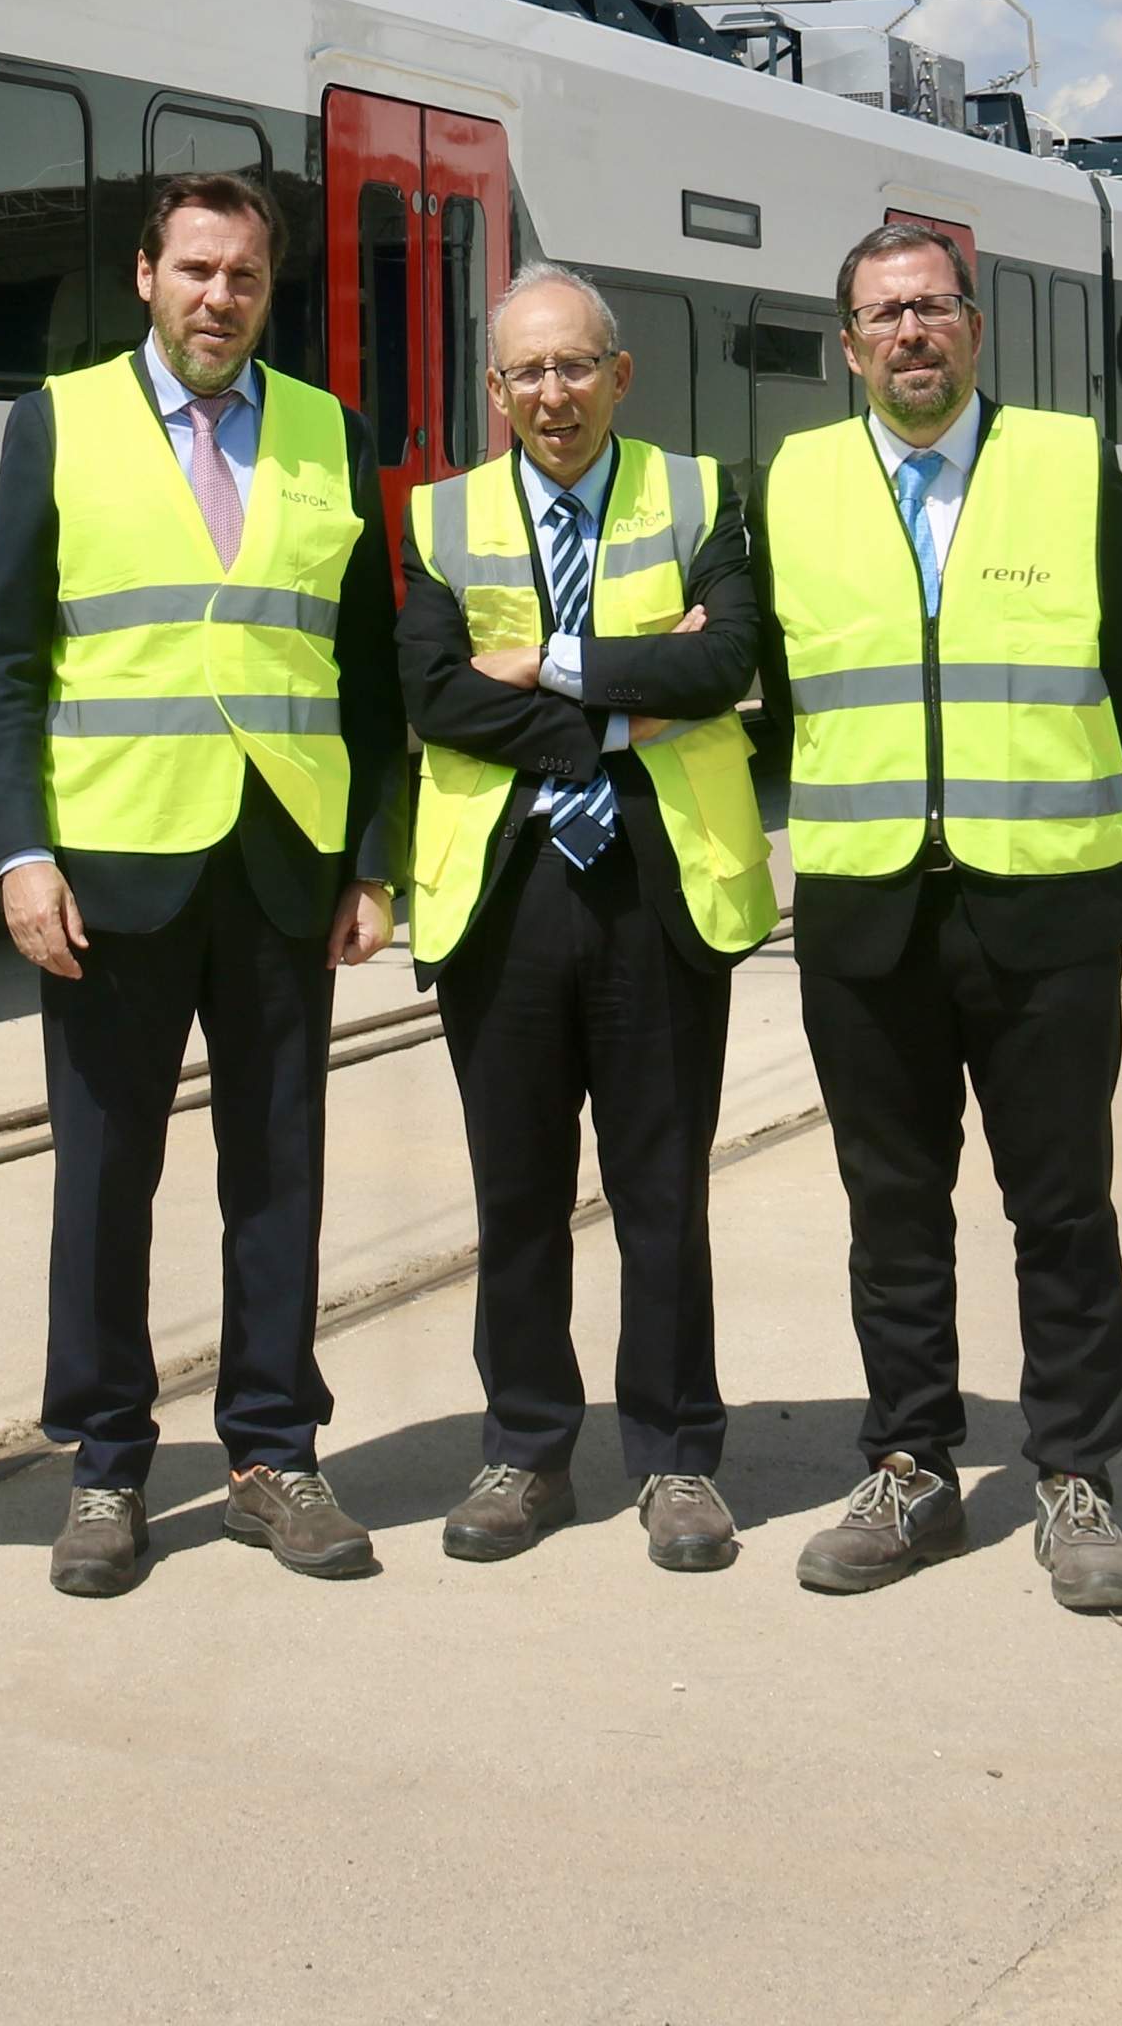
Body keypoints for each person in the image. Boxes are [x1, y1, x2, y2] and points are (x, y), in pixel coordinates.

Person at [0, 169, 405, 1597]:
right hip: (112, 868)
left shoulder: (329, 433)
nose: (220, 298)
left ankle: (274, 1454)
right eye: (196, 271)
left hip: (282, 862)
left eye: (246, 279)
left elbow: (363, 668)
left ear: (269, 294)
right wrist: (22, 851)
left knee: (277, 1175)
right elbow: (9, 664)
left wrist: (371, 861)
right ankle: (102, 1469)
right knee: (107, 1179)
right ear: (145, 277)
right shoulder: (59, 421)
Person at [757, 223, 1122, 1616]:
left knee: (1060, 1207)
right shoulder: (796, 483)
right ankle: (912, 1467)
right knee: (892, 1207)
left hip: (1043, 902)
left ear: (972, 329)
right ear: (849, 343)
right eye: (883, 315)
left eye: (932, 309)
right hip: (869, 910)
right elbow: (765, 676)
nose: (910, 334)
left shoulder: (1064, 462)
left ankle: (1074, 1479)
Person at [395, 263, 775, 1574]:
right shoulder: (442, 521)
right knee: (518, 1193)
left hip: (660, 885)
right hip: (506, 893)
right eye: (526, 373)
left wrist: (549, 664)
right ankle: (526, 1449)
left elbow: (728, 662)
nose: (553, 394)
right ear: (494, 391)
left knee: (662, 1188)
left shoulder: (703, 494)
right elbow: (438, 697)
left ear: (621, 374)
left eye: (575, 367)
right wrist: (634, 697)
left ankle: (675, 1459)